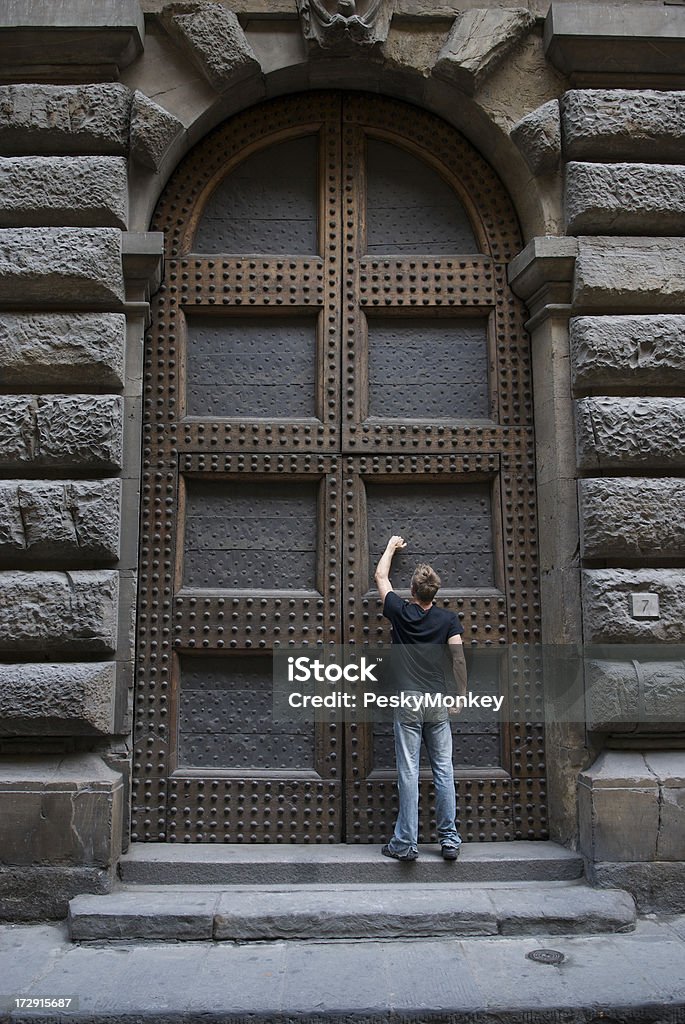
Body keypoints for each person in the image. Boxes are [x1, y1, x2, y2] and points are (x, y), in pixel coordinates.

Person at [374, 534, 468, 862]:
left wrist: (390, 547)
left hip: (409, 701)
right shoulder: (448, 620)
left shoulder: (399, 611)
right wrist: (461, 695)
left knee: (409, 770)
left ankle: (405, 844)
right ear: (434, 593)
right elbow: (458, 658)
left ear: (412, 592)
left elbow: (381, 578)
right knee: (444, 770)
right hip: (438, 701)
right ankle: (449, 840)